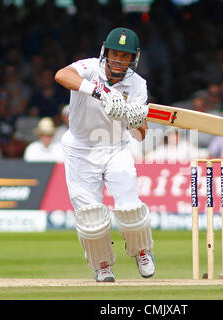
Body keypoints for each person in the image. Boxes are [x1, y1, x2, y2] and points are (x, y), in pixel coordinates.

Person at [54, 27, 154, 282]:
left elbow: (141, 135)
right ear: (105, 51)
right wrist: (100, 92)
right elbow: (61, 75)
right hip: (80, 150)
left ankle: (142, 251)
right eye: (115, 53)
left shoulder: (138, 85)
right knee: (91, 217)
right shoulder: (88, 68)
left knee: (130, 208)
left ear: (134, 58)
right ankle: (102, 266)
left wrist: (134, 121)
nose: (119, 59)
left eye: (125, 55)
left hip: (115, 148)